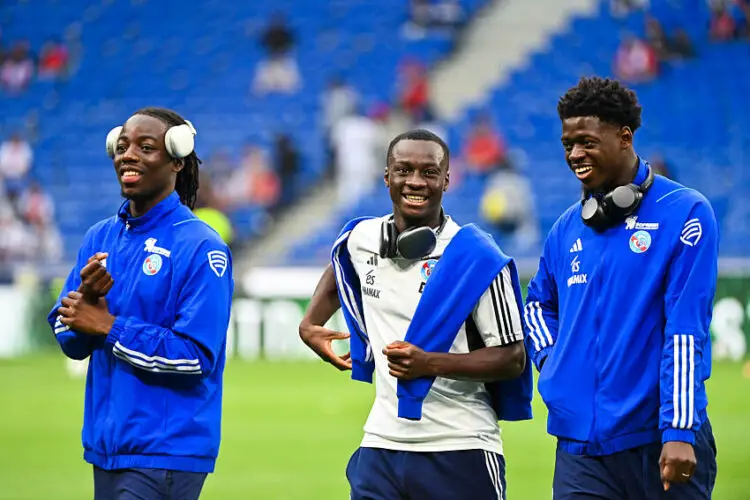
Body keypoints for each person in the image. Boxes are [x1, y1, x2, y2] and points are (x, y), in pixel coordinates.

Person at [299, 129, 533, 500]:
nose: (416, 182)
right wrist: (310, 323)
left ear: (447, 180)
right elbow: (341, 261)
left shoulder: (477, 257)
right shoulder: (362, 237)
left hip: (460, 446)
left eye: (429, 172)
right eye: (404, 170)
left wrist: (429, 363)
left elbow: (513, 358)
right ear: (386, 175)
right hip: (381, 445)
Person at [524, 77, 718, 499]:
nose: (575, 154)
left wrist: (680, 430)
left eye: (587, 142)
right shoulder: (565, 229)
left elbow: (686, 330)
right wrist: (557, 362)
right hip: (580, 450)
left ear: (624, 137)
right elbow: (537, 305)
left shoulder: (686, 213)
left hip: (657, 441)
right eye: (567, 144)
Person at [49, 107, 234, 500]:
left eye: (145, 147)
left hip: (167, 453)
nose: (128, 155)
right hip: (107, 450)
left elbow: (196, 356)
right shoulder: (100, 237)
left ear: (177, 161)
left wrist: (107, 326)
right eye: (122, 146)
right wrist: (87, 305)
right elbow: (68, 331)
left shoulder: (201, 247)